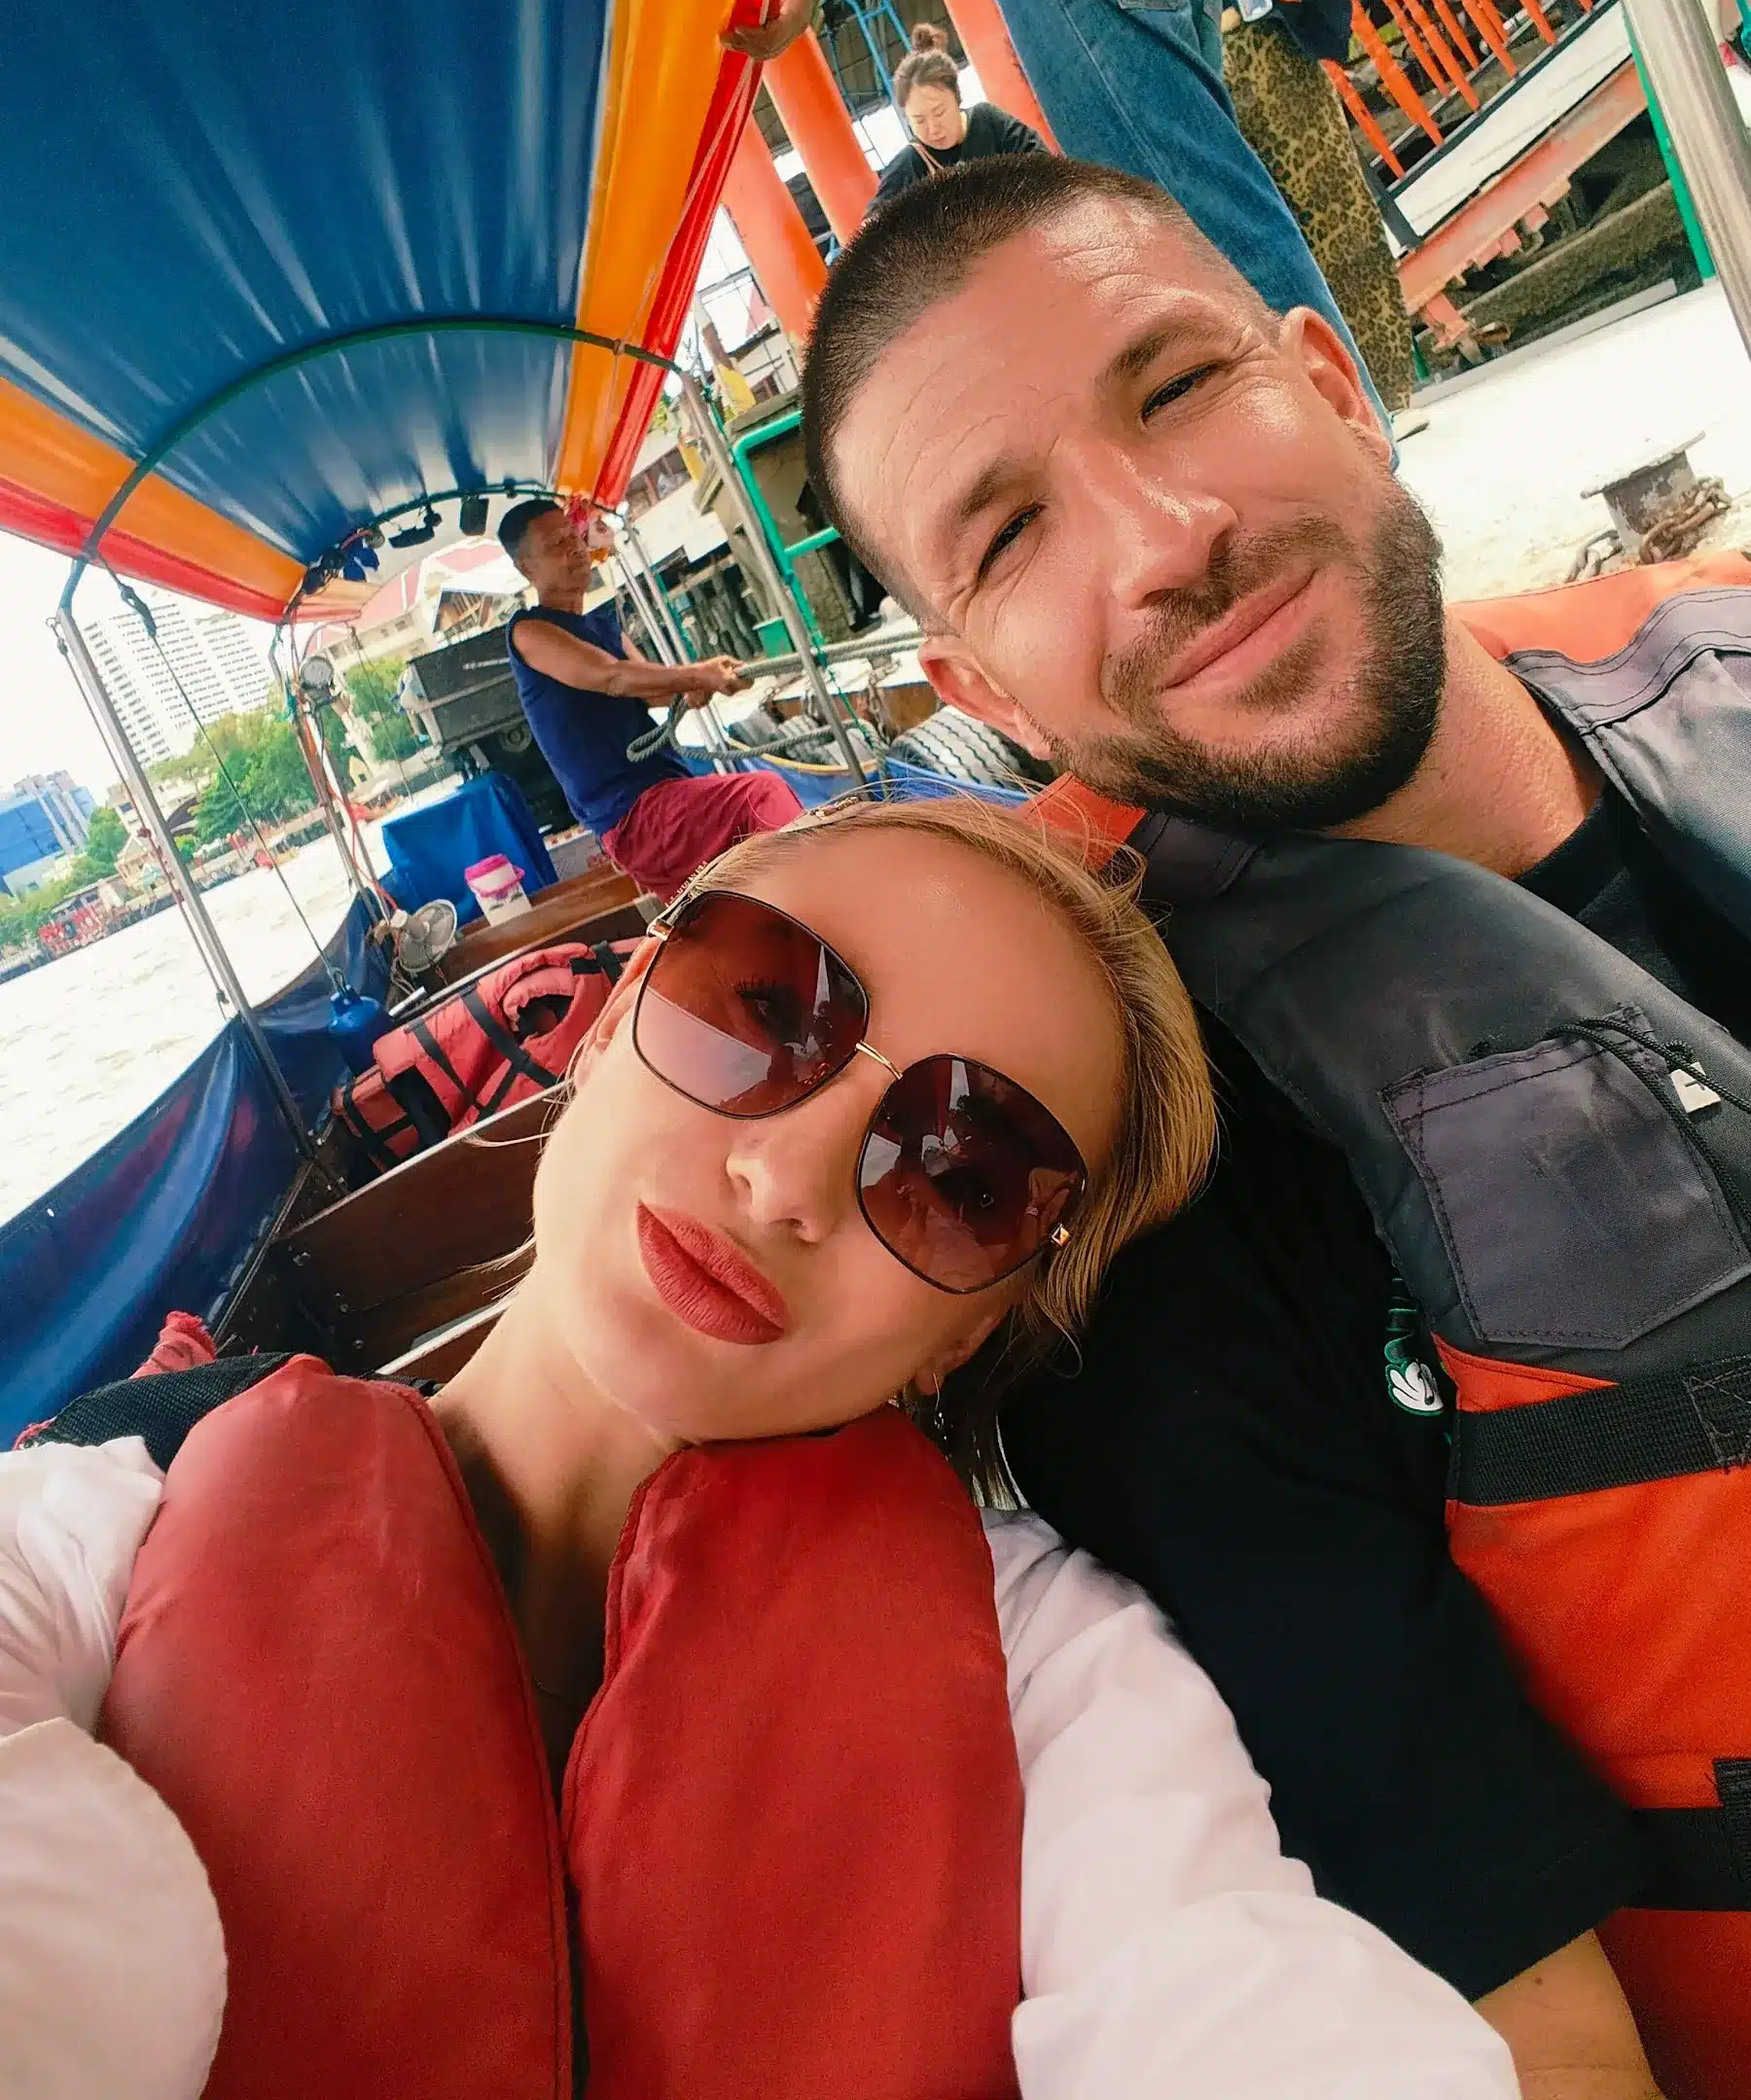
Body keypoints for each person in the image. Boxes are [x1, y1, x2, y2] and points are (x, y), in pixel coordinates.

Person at [1, 799, 1519, 2099]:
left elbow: (1240, 1999)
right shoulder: (98, 1526)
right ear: (602, 1026)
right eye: (759, 1012)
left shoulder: (1047, 1678)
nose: (786, 1179)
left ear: (969, 1334)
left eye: (961, 1176)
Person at [796, 154, 1751, 2097]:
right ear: (976, 685)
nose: (1167, 536)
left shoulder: (1717, 651)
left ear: (1330, 376)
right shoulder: (1150, 1215)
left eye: (1178, 385)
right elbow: (1535, 2026)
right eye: (1010, 530)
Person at [725, 0, 1390, 424]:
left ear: (956, 101)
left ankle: (1352, 470)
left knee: (1192, 231)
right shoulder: (920, 166)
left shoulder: (996, 132)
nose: (930, 124)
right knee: (1205, 191)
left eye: (934, 111)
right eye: (919, 119)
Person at [500, 495, 802, 901]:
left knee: (737, 888)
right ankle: (827, 905)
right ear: (526, 568)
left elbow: (654, 694)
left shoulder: (604, 627)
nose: (574, 548)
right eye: (556, 544)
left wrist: (698, 685)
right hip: (634, 815)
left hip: (665, 793)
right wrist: (697, 673)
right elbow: (612, 677)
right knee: (761, 795)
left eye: (574, 536)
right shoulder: (530, 632)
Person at [1212, 0, 1416, 411]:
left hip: (1278, 52)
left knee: (1343, 221)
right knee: (1256, 246)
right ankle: (1326, 406)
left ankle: (1388, 393)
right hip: (1210, 72)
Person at [873, 21, 1048, 205]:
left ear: (957, 98)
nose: (933, 129)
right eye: (919, 120)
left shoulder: (988, 121)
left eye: (939, 112)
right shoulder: (910, 164)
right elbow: (872, 222)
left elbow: (1043, 164)